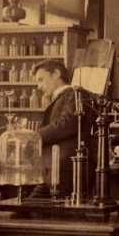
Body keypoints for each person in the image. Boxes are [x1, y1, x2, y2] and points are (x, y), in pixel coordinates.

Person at [32, 59, 95, 196]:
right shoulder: (61, 98)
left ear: (56, 74)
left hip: (67, 172)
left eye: (41, 79)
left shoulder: (76, 94)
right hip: (53, 170)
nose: (39, 86)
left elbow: (68, 123)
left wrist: (33, 136)